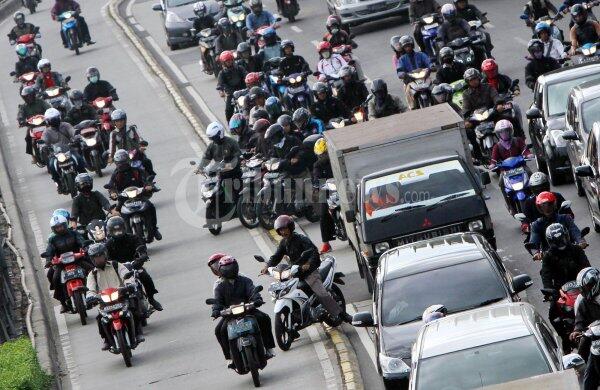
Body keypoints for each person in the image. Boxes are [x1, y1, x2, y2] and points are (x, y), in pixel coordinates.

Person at [260, 215, 352, 324]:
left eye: (284, 229)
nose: (283, 232)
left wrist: (308, 264)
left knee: (321, 293)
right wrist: (267, 266)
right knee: (284, 291)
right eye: (280, 230)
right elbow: (276, 256)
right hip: (295, 273)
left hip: (310, 273)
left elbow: (313, 252)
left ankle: (342, 315)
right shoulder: (284, 243)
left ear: (290, 227)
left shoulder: (301, 239)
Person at [213, 256, 276, 367]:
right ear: (221, 270)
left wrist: (257, 300)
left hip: (248, 310)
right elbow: (217, 301)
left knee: (265, 318)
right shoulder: (220, 286)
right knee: (219, 330)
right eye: (226, 268)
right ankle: (229, 357)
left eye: (231, 267)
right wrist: (216, 310)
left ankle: (269, 348)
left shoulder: (245, 280)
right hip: (230, 315)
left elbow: (253, 291)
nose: (229, 269)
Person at [85, 242, 144, 350]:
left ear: (105, 255)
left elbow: (126, 275)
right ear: (92, 259)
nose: (98, 259)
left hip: (121, 296)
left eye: (100, 256)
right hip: (104, 301)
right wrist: (90, 296)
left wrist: (129, 285)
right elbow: (90, 289)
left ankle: (138, 333)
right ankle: (106, 340)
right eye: (95, 257)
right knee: (100, 319)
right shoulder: (92, 274)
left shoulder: (116, 265)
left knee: (134, 310)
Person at [542, 224, 590, 343]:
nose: (560, 243)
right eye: (557, 241)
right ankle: (565, 341)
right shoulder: (548, 256)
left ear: (566, 236)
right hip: (560, 290)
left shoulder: (576, 250)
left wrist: (590, 280)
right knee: (552, 315)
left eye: (562, 239)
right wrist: (549, 291)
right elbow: (546, 275)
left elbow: (587, 267)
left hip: (581, 285)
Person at [104, 216, 162, 311]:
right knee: (107, 286)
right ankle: (109, 307)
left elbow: (141, 247)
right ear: (110, 231)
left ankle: (151, 299)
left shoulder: (133, 238)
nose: (118, 232)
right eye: (115, 231)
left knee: (144, 276)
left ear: (124, 228)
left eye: (119, 229)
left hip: (134, 266)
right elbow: (106, 258)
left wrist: (142, 255)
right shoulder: (108, 244)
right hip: (116, 270)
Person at [106, 149, 161, 242]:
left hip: (139, 195)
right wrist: (113, 193)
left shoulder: (137, 171)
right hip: (123, 199)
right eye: (119, 163)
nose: (121, 165)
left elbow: (146, 180)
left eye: (123, 162)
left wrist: (149, 186)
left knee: (151, 207)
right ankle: (123, 235)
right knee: (116, 214)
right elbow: (111, 186)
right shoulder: (116, 175)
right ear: (116, 163)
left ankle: (154, 229)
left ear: (128, 160)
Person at [44, 215, 92, 312]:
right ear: (53, 229)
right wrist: (48, 260)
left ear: (65, 225)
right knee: (54, 278)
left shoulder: (74, 234)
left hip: (77, 260)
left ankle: (95, 292)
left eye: (61, 226)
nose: (59, 229)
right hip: (62, 264)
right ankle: (63, 303)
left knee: (92, 269)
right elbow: (49, 251)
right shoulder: (53, 240)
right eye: (57, 227)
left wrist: (85, 248)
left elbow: (81, 241)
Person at [489, 120, 532, 214]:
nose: (504, 134)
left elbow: (525, 150)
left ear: (510, 131)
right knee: (501, 183)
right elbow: (494, 159)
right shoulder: (497, 146)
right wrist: (492, 165)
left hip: (521, 168)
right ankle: (510, 205)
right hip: (506, 172)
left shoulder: (518, 141)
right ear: (498, 134)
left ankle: (536, 195)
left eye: (506, 131)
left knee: (531, 174)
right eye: (502, 132)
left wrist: (528, 155)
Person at [530, 191, 586, 258]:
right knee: (545, 268)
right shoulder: (536, 225)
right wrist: (536, 253)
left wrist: (581, 241)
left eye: (549, 204)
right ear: (539, 208)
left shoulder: (565, 218)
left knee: (587, 266)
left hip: (571, 252)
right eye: (543, 206)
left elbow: (574, 230)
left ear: (554, 204)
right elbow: (534, 241)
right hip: (549, 257)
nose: (547, 208)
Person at [42, 108, 86, 192]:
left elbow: (72, 132)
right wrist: (44, 145)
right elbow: (44, 141)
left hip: (70, 150)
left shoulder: (66, 125)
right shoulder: (46, 132)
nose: (54, 121)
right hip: (55, 154)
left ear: (59, 117)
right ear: (47, 121)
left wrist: (76, 137)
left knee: (79, 159)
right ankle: (58, 183)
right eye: (51, 119)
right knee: (51, 166)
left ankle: (84, 177)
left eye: (55, 118)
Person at [462, 68, 501, 161]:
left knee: (507, 118)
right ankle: (478, 156)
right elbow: (465, 108)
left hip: (492, 114)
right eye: (471, 80)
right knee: (468, 133)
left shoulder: (488, 87)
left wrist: (499, 104)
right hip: (476, 120)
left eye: (475, 78)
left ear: (479, 78)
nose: (474, 81)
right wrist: (467, 119)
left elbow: (495, 97)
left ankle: (517, 140)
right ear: (468, 82)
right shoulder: (466, 94)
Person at [572, 267, 600, 388]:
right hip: (596, 342)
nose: (584, 290)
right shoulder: (584, 301)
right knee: (588, 377)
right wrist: (577, 330)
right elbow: (580, 319)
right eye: (582, 288)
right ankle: (576, 369)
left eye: (586, 287)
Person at [198, 121, 242, 187]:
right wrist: (200, 167)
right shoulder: (212, 145)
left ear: (220, 134)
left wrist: (227, 166)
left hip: (234, 175)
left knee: (230, 195)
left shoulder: (232, 143)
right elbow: (206, 157)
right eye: (212, 138)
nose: (214, 140)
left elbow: (237, 159)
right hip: (221, 175)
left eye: (214, 137)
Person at [395, 35, 431, 110]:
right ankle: (413, 109)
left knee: (434, 87)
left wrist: (431, 66)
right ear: (403, 48)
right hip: (410, 81)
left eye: (409, 45)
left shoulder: (421, 55)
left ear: (412, 45)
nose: (408, 48)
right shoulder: (402, 59)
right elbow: (399, 71)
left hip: (424, 78)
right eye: (406, 46)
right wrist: (402, 74)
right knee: (408, 92)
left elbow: (428, 62)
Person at [18, 86, 51, 164]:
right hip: (32, 126)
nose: (28, 98)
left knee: (54, 131)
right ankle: (33, 156)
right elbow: (20, 115)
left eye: (29, 95)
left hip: (45, 123)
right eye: (26, 97)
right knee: (28, 138)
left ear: (33, 95)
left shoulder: (41, 102)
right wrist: (21, 121)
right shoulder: (23, 107)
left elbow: (48, 108)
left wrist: (49, 114)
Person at [313, 138, 335, 254]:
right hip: (327, 190)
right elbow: (316, 178)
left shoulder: (336, 159)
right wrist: (317, 186)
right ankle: (326, 243)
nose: (323, 157)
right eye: (321, 155)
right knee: (323, 214)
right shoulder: (317, 165)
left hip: (341, 188)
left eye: (325, 154)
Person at [217, 50, 247, 121]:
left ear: (233, 60)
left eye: (230, 60)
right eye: (227, 61)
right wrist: (221, 91)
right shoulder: (222, 73)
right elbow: (220, 84)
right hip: (231, 95)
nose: (229, 62)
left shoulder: (240, 68)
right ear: (223, 63)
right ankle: (231, 126)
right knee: (228, 110)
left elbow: (246, 75)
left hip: (244, 91)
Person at [192, 2, 217, 74]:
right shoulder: (196, 21)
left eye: (201, 11)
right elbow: (194, 30)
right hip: (203, 40)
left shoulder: (209, 17)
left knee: (219, 45)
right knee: (203, 51)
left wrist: (216, 27)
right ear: (196, 12)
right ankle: (205, 65)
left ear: (204, 10)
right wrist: (194, 35)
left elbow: (215, 24)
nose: (200, 13)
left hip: (212, 37)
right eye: (198, 12)